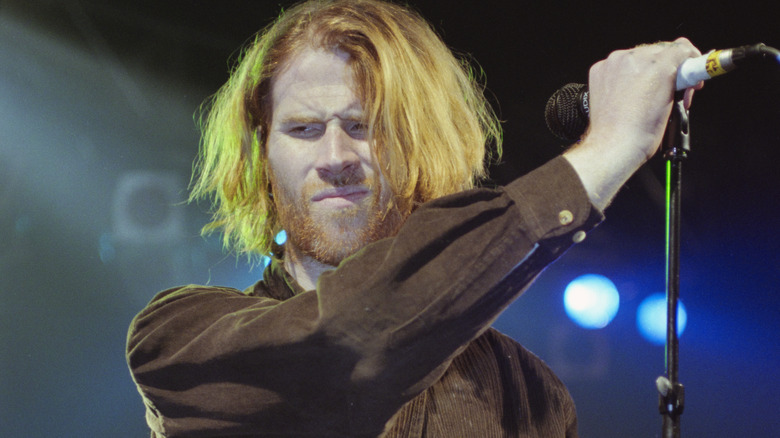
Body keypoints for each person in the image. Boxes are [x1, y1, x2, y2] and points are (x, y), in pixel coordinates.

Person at [126, 0, 702, 436]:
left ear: (424, 143)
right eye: (303, 130)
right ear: (262, 153)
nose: (334, 158)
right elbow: (346, 343)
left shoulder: (527, 392)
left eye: (365, 126)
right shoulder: (177, 338)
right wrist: (604, 153)